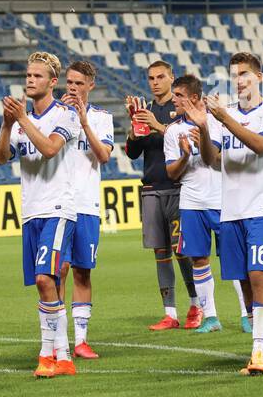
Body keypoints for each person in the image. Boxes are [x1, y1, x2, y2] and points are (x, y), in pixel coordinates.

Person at [0, 51, 79, 378]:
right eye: (28, 75)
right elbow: (1, 158)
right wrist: (6, 124)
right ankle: (64, 356)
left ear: (52, 82)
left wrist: (22, 120)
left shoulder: (65, 114)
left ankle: (46, 355)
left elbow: (50, 149)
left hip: (58, 209)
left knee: (46, 279)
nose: (30, 80)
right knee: (48, 286)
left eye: (37, 76)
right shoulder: (18, 122)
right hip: (31, 212)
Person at [205, 51, 263, 374]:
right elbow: (212, 159)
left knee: (258, 274)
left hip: (261, 207)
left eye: (244, 74)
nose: (239, 81)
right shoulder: (220, 116)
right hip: (230, 210)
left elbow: (259, 145)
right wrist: (202, 125)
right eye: (235, 75)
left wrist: (224, 119)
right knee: (243, 280)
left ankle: (257, 352)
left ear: (259, 78)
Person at [124, 60, 201, 330]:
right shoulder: (145, 111)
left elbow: (186, 139)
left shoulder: (178, 109)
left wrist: (157, 124)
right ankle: (170, 313)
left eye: (160, 77)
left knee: (184, 251)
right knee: (161, 252)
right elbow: (133, 153)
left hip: (179, 188)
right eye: (151, 78)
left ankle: (196, 305)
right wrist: (134, 133)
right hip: (152, 188)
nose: (155, 82)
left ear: (171, 78)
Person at [59, 60, 114, 359]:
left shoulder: (101, 118)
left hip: (87, 205)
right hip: (58, 205)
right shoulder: (53, 116)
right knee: (59, 270)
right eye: (69, 83)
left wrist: (83, 122)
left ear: (91, 85)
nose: (73, 88)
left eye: (79, 83)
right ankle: (57, 339)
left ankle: (80, 340)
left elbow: (103, 155)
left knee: (82, 271)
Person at [163, 74, 224, 333]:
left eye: (178, 95)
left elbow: (214, 160)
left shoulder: (216, 121)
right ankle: (210, 316)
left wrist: (204, 135)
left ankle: (247, 313)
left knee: (234, 257)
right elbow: (172, 174)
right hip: (191, 201)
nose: (172, 99)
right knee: (198, 258)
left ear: (194, 98)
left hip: (221, 199)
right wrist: (186, 155)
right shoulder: (173, 131)